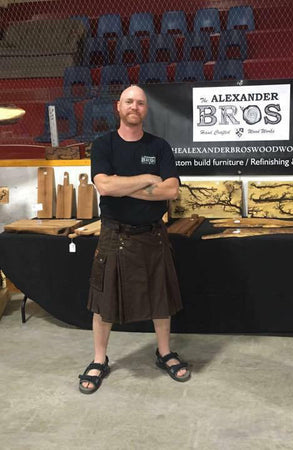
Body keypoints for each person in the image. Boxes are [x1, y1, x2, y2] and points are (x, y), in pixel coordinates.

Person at [78, 85, 190, 394]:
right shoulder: (103, 145)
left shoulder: (160, 146)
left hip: (153, 235)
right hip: (116, 234)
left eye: (140, 103)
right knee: (103, 302)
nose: (134, 106)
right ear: (118, 106)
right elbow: (105, 187)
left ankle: (164, 352)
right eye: (129, 101)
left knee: (161, 300)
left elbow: (170, 191)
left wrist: (121, 184)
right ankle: (99, 359)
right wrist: (145, 179)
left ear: (146, 110)